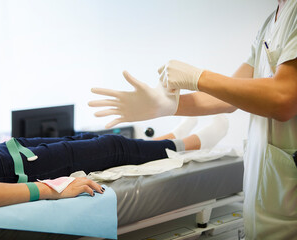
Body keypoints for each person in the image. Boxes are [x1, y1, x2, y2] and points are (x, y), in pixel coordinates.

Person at [89, 1, 297, 239]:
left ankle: (186, 140)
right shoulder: (271, 21)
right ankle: (185, 138)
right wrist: (166, 106)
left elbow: (284, 98)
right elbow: (231, 97)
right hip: (267, 202)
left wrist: (199, 77)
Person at [0, 116, 228, 212]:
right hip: (4, 170)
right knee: (111, 148)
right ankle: (189, 145)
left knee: (84, 138)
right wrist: (49, 190)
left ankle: (163, 141)